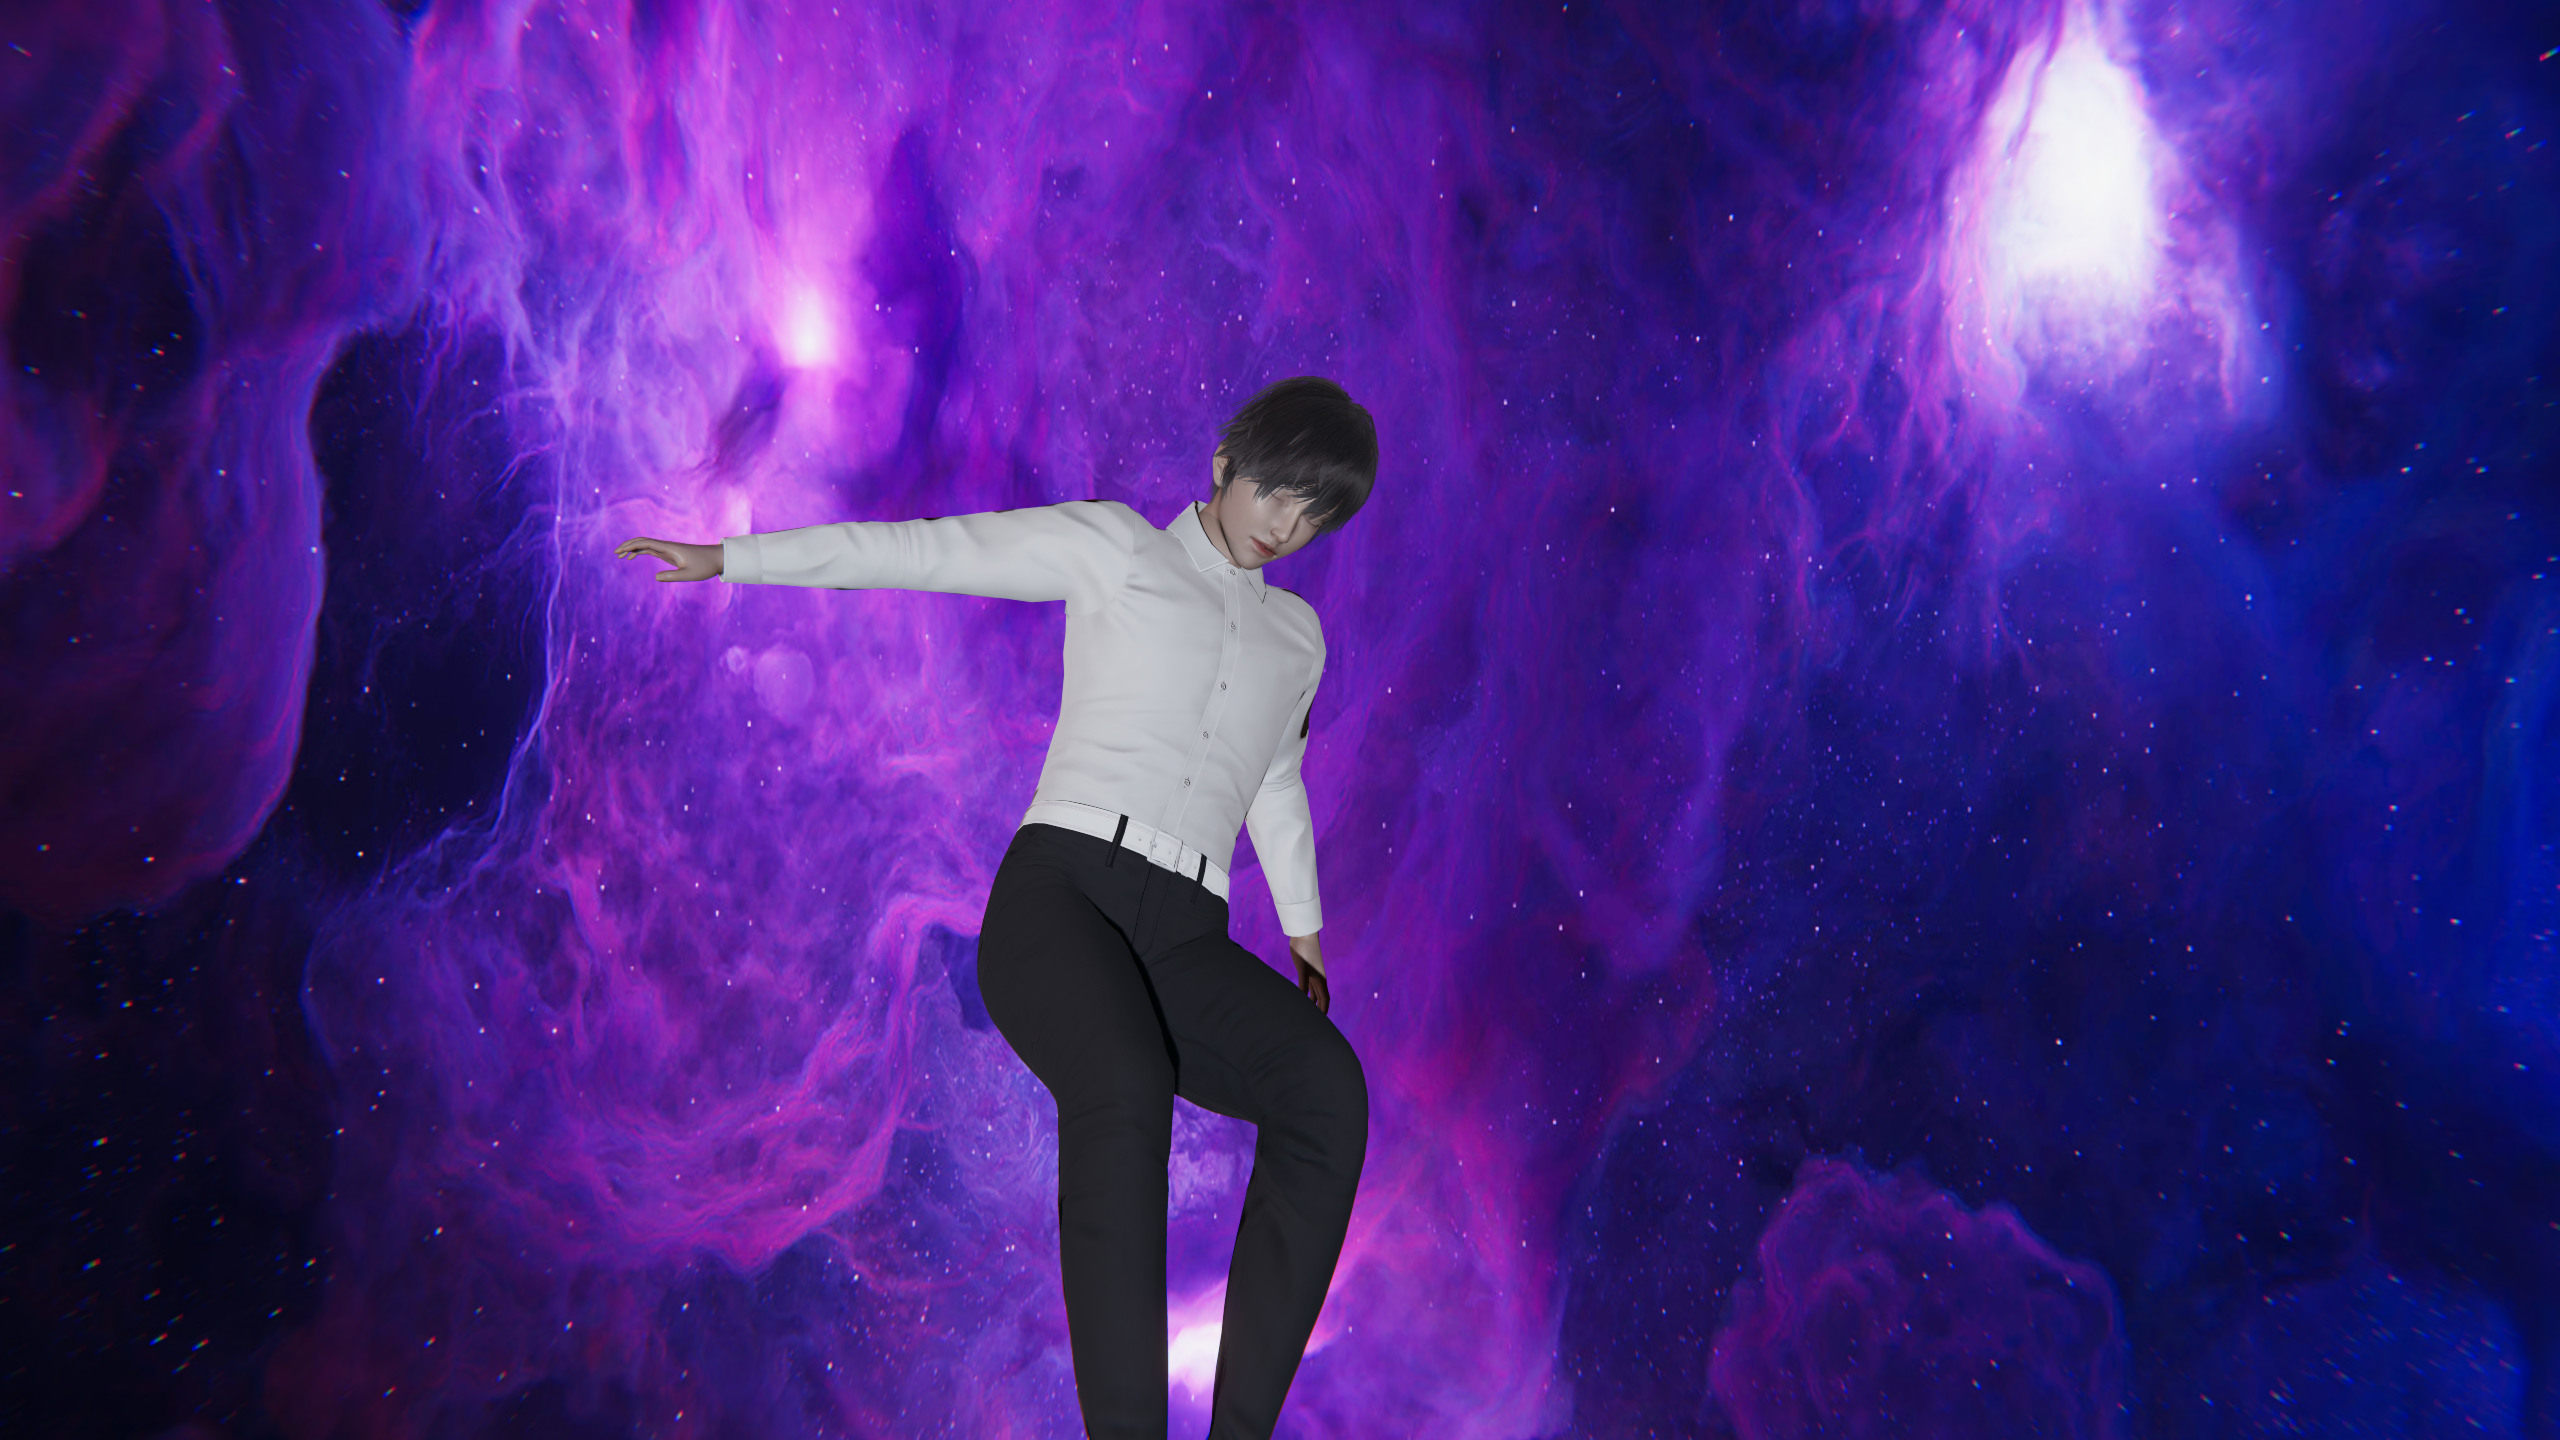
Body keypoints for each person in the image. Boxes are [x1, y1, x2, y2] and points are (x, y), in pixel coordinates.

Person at [615, 376, 1376, 1439]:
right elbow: (929, 552)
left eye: (1313, 516)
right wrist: (732, 558)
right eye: (1277, 494)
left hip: (1187, 935)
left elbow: (1276, 784)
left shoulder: (1298, 638)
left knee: (1328, 1092)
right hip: (1063, 899)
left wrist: (1304, 929)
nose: (1285, 528)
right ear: (1224, 465)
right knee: (1126, 1080)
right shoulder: (1115, 548)